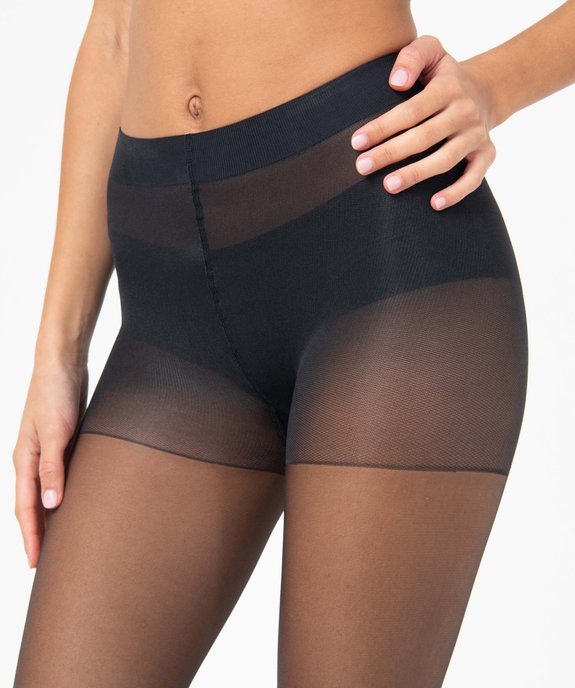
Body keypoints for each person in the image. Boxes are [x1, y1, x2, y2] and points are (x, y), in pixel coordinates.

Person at [10, 0, 575, 686]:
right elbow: (115, 32)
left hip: (376, 263)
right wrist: (58, 351)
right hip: (169, 321)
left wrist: (493, 85)